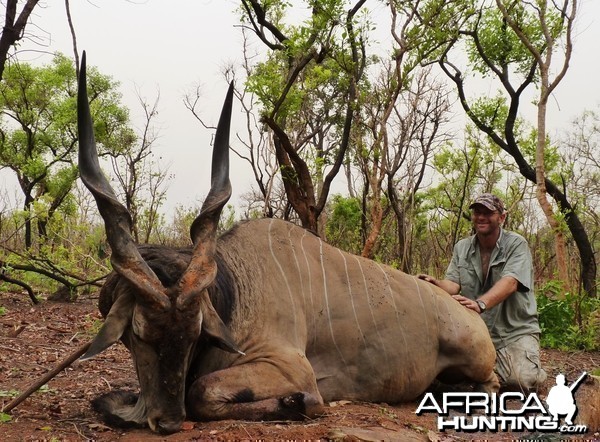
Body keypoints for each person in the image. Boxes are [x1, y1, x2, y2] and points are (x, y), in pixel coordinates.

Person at [418, 193, 546, 391]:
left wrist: (480, 303)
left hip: (513, 331)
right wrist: (434, 283)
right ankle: (487, 371)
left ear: (501, 218)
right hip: (475, 330)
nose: (481, 217)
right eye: (477, 212)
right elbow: (453, 283)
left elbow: (511, 282)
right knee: (440, 376)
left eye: (488, 212)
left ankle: (525, 368)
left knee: (521, 381)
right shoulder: (462, 247)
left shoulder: (516, 244)